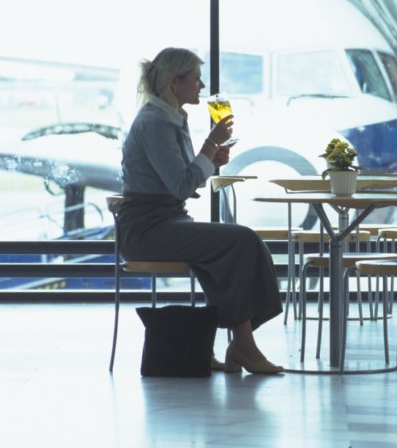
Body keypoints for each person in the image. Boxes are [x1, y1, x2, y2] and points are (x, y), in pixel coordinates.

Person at [119, 47, 284, 374]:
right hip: (148, 229)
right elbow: (182, 186)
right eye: (195, 79)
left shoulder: (168, 119)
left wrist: (209, 159)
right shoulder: (156, 124)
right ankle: (243, 345)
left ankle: (236, 344)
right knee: (240, 240)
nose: (201, 85)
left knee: (230, 247)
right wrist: (210, 145)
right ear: (174, 82)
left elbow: (182, 182)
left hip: (164, 220)